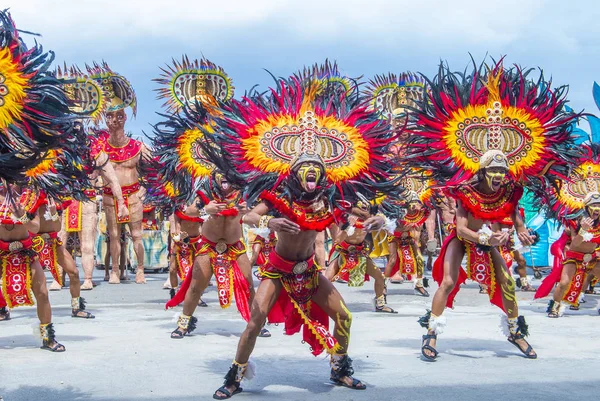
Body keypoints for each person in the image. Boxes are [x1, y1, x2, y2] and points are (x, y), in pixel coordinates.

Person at [199, 70, 399, 399]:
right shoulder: (277, 197)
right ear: (295, 172)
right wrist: (269, 224)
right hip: (278, 271)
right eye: (306, 168)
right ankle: (235, 376)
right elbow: (246, 215)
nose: (312, 172)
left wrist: (372, 225)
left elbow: (345, 230)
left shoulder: (328, 200)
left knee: (345, 317)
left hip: (310, 271)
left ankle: (340, 367)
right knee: (255, 321)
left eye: (316, 168)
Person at [406, 61, 578, 361]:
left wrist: (521, 230)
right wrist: (484, 238)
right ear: (483, 172)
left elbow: (512, 215)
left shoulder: (510, 190)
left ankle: (516, 332)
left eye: (503, 170)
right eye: (494, 170)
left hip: (493, 242)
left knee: (508, 284)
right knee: (447, 282)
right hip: (464, 241)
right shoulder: (466, 190)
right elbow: (459, 229)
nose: (499, 175)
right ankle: (431, 331)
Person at [87, 62, 147, 284]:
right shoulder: (100, 149)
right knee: (113, 235)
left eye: (118, 116)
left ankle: (139, 269)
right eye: (109, 117)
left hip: (133, 196)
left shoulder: (138, 147)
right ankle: (114, 271)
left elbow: (154, 172)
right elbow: (92, 173)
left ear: (124, 117)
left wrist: (143, 190)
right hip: (110, 197)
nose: (113, 120)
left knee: (137, 235)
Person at [535, 144, 600, 316]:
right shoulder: (575, 223)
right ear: (587, 207)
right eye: (593, 206)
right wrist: (583, 230)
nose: (596, 209)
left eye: (599, 206)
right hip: (574, 257)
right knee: (564, 283)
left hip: (593, 257)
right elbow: (576, 243)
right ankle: (555, 305)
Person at [325, 197, 396, 312]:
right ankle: (321, 304)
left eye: (366, 206)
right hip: (342, 252)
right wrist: (348, 228)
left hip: (359, 252)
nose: (364, 208)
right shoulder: (346, 218)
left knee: (379, 277)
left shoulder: (370, 221)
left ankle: (380, 304)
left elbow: (386, 226)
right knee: (326, 279)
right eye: (361, 206)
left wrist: (386, 225)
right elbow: (337, 240)